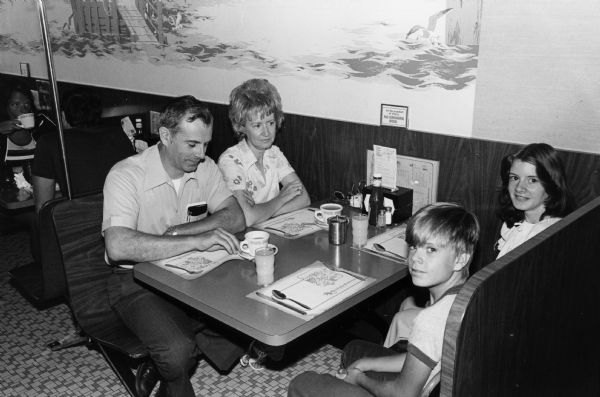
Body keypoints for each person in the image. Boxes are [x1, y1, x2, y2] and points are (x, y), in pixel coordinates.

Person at [102, 95, 246, 397]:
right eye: (192, 144)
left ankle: (170, 356)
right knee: (179, 352)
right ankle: (173, 365)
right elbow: (117, 246)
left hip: (189, 268)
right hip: (135, 280)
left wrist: (180, 233)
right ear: (166, 136)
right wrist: (197, 239)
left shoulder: (204, 167)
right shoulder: (126, 174)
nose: (202, 154)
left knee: (251, 314)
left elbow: (234, 217)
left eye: (206, 144)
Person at [288, 202, 480, 397]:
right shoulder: (471, 297)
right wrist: (366, 365)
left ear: (460, 259)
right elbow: (426, 358)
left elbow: (402, 394)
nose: (415, 259)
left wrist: (359, 378)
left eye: (431, 250)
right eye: (414, 247)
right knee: (354, 351)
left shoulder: (430, 320)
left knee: (303, 383)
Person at [218, 78, 310, 226]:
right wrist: (282, 198)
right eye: (257, 125)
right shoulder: (230, 160)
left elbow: (304, 198)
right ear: (241, 127)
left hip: (271, 230)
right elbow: (247, 218)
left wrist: (262, 213)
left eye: (271, 123)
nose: (266, 132)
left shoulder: (274, 153)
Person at [31, 88, 134, 212]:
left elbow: (43, 206)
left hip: (81, 218)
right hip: (124, 211)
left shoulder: (51, 142)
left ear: (62, 115)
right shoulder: (117, 134)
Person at [495, 143, 574, 258]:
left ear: (551, 185)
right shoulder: (516, 224)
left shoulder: (549, 236)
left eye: (532, 180)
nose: (519, 188)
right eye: (515, 178)